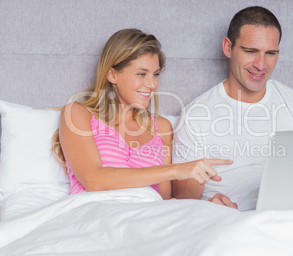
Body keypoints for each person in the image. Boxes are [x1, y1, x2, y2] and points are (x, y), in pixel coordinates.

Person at [172, 6, 293, 210]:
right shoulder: (197, 116)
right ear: (228, 47)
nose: (261, 65)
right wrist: (209, 209)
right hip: (232, 222)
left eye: (270, 53)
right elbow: (183, 203)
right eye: (251, 51)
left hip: (290, 218)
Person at [52, 28, 232, 199]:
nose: (152, 84)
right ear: (112, 75)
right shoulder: (77, 114)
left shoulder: (161, 127)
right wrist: (175, 170)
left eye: (155, 75)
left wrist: (206, 204)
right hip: (97, 216)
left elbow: (164, 200)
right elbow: (94, 180)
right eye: (141, 74)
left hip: (146, 219)